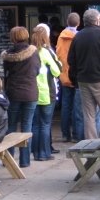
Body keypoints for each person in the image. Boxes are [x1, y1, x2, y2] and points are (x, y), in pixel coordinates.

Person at [67, 8, 100, 140]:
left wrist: (75, 78)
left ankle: (91, 144)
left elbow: (71, 60)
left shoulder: (78, 37)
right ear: (97, 20)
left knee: (89, 115)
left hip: (83, 80)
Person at [1, 26, 41, 168]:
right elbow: (37, 70)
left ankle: (9, 160)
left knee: (11, 126)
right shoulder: (33, 52)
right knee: (27, 126)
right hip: (30, 92)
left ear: (12, 37)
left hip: (13, 93)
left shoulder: (7, 55)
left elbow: (6, 73)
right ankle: (25, 161)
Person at [30, 25, 61, 161]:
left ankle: (35, 153)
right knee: (45, 124)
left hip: (32, 92)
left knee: (35, 124)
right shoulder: (46, 52)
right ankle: (44, 154)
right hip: (47, 93)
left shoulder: (29, 51)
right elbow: (57, 71)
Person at [56, 12, 83, 142]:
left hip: (64, 74)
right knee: (77, 107)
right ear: (78, 24)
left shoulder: (61, 37)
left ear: (67, 22)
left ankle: (65, 134)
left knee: (66, 105)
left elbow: (58, 54)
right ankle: (76, 134)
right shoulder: (79, 37)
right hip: (76, 75)